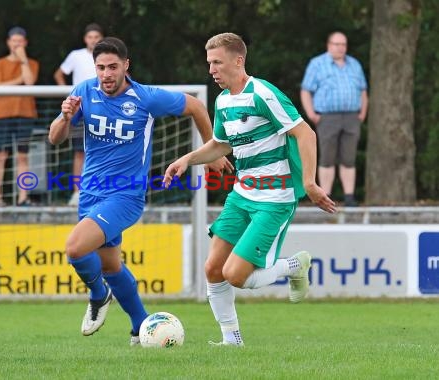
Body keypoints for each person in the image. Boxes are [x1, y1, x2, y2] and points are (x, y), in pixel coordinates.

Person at [48, 37, 232, 345]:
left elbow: (197, 106)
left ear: (125, 66)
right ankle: (140, 325)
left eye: (112, 67)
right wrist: (65, 117)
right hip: (90, 194)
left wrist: (211, 152)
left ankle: (98, 296)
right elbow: (55, 138)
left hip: (125, 196)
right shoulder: (84, 92)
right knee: (109, 265)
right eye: (100, 68)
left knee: (75, 248)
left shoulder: (145, 98)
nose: (106, 74)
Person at [163, 33, 336, 347]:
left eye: (217, 62)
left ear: (238, 60)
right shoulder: (224, 100)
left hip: (274, 199)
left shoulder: (262, 94)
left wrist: (309, 183)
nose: (212, 69)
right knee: (213, 268)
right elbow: (221, 144)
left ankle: (295, 265)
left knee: (236, 275)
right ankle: (232, 340)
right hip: (242, 195)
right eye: (209, 63)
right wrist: (186, 160)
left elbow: (305, 133)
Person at [300, 31, 369, 207]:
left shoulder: (354, 64)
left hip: (351, 117)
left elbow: (363, 90)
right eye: (337, 44)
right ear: (329, 45)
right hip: (327, 117)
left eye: (343, 44)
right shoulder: (317, 64)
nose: (340, 48)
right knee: (327, 158)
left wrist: (362, 112)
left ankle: (349, 196)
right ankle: (325, 195)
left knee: (349, 158)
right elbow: (306, 90)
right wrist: (311, 113)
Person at [54, 23, 104, 207]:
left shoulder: (106, 56)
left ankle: (101, 192)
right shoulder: (76, 55)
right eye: (90, 37)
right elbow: (59, 74)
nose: (93, 40)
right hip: (80, 110)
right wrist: (67, 94)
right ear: (85, 39)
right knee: (79, 152)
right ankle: (78, 192)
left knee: (103, 150)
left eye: (96, 37)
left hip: (104, 110)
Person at [0, 26, 39, 207]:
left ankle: (23, 197)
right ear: (8, 42)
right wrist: (18, 81)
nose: (17, 44)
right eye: (14, 41)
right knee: (0, 155)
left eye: (20, 41)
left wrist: (23, 60)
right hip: (2, 113)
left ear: (25, 43)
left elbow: (30, 82)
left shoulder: (32, 63)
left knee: (22, 156)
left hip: (25, 113)